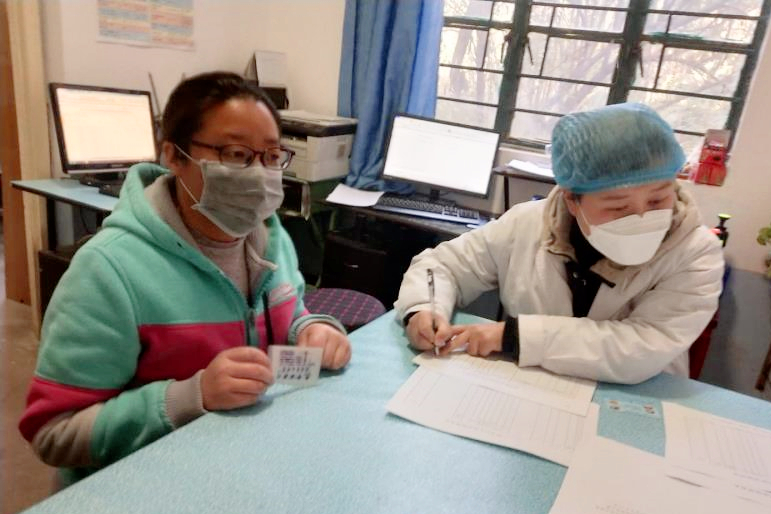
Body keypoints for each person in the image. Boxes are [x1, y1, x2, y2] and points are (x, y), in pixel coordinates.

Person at [19, 72, 351, 485]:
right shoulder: (107, 270)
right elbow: (54, 433)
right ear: (173, 156)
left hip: (245, 466)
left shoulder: (270, 238)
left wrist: (312, 329)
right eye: (236, 153)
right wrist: (191, 396)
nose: (258, 173)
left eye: (270, 156)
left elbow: (290, 314)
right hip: (147, 486)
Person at [395, 102, 724, 384]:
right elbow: (444, 265)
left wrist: (515, 337)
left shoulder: (695, 252)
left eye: (658, 200)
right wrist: (424, 309)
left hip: (639, 401)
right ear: (572, 200)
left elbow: (643, 346)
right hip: (532, 391)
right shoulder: (526, 224)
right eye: (618, 208)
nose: (640, 217)